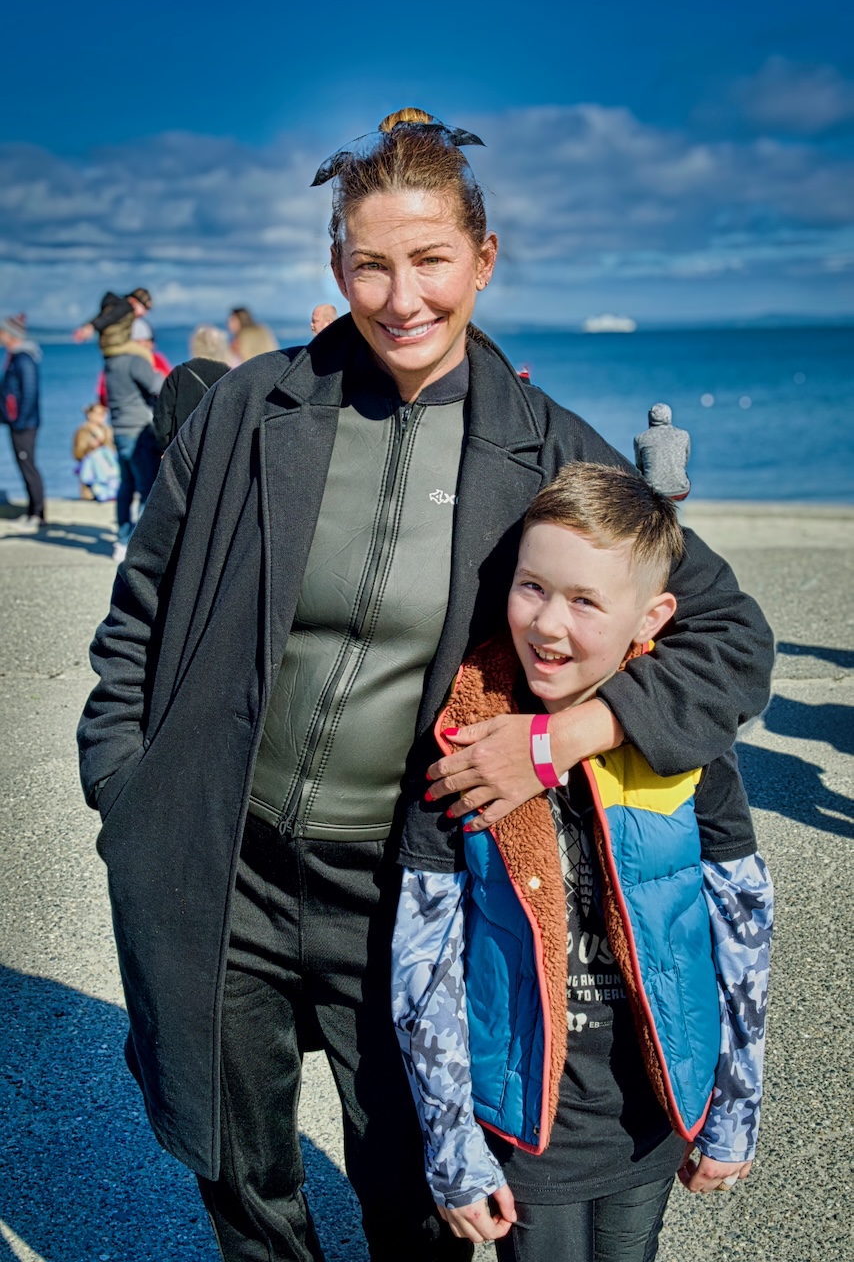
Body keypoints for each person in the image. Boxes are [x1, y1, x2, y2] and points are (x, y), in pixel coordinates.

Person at [77, 109, 774, 1262]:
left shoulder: (545, 449)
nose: (401, 297)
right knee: (239, 1170)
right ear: (334, 265)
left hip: (397, 877)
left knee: (413, 1186)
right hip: (216, 852)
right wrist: (124, 787)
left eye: (430, 260)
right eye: (370, 264)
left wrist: (559, 741)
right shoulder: (250, 411)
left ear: (483, 260)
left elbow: (725, 634)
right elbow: (137, 612)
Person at [392, 461, 773, 1260]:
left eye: (586, 601)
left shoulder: (686, 745)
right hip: (528, 1122)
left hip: (654, 1109)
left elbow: (742, 928)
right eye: (532, 587)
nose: (548, 625)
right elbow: (425, 964)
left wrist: (735, 1109)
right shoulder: (463, 740)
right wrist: (452, 1147)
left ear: (652, 618)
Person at [103, 338, 164, 562]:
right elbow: (158, 386)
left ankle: (122, 539)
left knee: (126, 486)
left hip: (120, 430)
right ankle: (139, 545)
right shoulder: (136, 361)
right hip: (139, 432)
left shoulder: (112, 362)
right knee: (147, 489)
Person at [1, 314, 46, 530]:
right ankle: (32, 512)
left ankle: (37, 515)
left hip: (24, 425)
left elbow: (29, 392)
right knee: (24, 465)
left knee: (28, 466)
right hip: (16, 422)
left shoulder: (24, 359)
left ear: (11, 335)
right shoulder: (14, 357)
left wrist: (19, 421)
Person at [152, 327, 230, 450]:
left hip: (183, 450)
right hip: (219, 451)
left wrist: (164, 448)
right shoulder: (231, 376)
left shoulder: (179, 374)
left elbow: (162, 421)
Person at [73, 288, 154, 362]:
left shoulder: (116, 307)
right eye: (145, 308)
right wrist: (91, 327)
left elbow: (103, 317)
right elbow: (107, 318)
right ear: (134, 301)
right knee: (146, 354)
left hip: (108, 347)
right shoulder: (125, 307)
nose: (145, 313)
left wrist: (90, 326)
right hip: (117, 345)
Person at [633, 402, 691, 500]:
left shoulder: (640, 438)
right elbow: (684, 462)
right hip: (680, 491)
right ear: (669, 417)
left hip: (653, 492)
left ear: (649, 417)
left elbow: (639, 466)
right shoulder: (684, 435)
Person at [73, 402, 117, 499]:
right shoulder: (83, 431)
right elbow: (77, 454)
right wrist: (90, 447)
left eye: (104, 413)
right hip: (91, 479)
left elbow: (113, 452)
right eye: (99, 413)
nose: (102, 416)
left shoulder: (107, 430)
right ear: (90, 415)